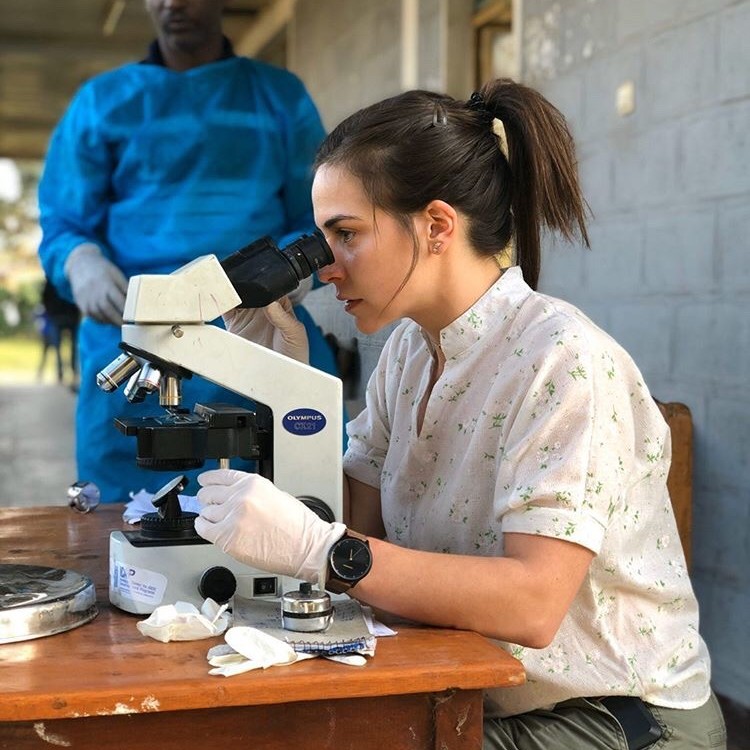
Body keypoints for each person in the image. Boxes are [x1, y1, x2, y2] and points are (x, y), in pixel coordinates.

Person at [192, 79, 726, 749]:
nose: (325, 269)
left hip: (613, 715)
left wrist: (322, 551)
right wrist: (285, 385)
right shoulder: (408, 354)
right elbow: (351, 526)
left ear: (438, 226)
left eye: (346, 235)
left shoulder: (562, 361)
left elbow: (530, 605)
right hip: (481, 687)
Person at [37, 0, 340, 502]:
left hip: (257, 321)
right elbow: (65, 220)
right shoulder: (102, 102)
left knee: (297, 493)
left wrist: (292, 268)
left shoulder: (279, 96)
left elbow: (315, 206)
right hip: (131, 337)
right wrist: (78, 260)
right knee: (122, 516)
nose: (173, 3)